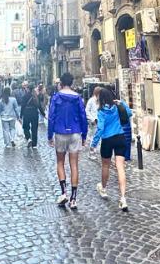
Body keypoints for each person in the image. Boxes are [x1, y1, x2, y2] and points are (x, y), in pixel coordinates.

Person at [48, 72, 88, 209]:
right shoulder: (77, 98)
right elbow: (83, 117)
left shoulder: (56, 97)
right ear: (71, 83)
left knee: (60, 162)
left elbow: (51, 117)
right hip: (75, 132)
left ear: (61, 83)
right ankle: (74, 199)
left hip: (60, 132)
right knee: (74, 165)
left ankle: (64, 192)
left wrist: (50, 135)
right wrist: (84, 135)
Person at [92, 87, 130, 211]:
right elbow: (129, 113)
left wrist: (93, 143)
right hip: (120, 137)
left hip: (107, 140)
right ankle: (123, 198)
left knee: (105, 166)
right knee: (120, 167)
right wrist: (121, 103)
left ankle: (103, 188)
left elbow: (100, 128)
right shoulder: (117, 106)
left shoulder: (101, 111)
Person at [21, 85, 42, 149]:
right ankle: (34, 144)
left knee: (25, 127)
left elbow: (22, 106)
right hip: (34, 113)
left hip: (27, 113)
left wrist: (21, 115)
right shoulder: (36, 96)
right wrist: (43, 114)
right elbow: (39, 106)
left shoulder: (25, 96)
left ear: (28, 89)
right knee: (34, 129)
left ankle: (28, 138)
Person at [85, 87, 100, 155]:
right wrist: (92, 119)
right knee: (92, 136)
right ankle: (91, 150)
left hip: (98, 121)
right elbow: (87, 110)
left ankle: (94, 149)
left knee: (96, 135)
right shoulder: (91, 100)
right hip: (93, 121)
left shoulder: (100, 100)